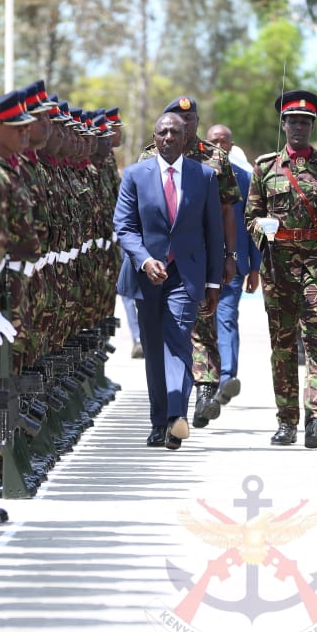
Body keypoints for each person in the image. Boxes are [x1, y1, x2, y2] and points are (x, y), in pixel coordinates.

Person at [245, 90, 317, 448]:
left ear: (312, 126)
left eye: (305, 122)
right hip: (278, 267)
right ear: (284, 124)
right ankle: (286, 419)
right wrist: (263, 228)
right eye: (293, 121)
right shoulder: (265, 168)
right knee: (283, 343)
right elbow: (251, 217)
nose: (298, 128)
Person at [113, 112, 224, 450]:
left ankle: (177, 416)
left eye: (175, 132)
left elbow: (213, 231)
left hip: (185, 274)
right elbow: (125, 227)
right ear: (154, 135)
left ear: (185, 137)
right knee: (154, 350)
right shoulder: (135, 175)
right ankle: (158, 420)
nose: (169, 138)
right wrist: (145, 259)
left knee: (178, 340)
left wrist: (213, 283)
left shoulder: (203, 176)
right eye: (162, 132)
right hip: (147, 276)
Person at [204, 123, 261, 408]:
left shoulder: (244, 177)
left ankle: (227, 377)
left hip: (234, 264)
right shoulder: (197, 174)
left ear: (231, 145)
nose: (219, 147)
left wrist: (254, 267)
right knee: (202, 323)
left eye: (224, 142)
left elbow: (253, 225)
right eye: (214, 141)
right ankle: (207, 378)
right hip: (200, 265)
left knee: (226, 318)